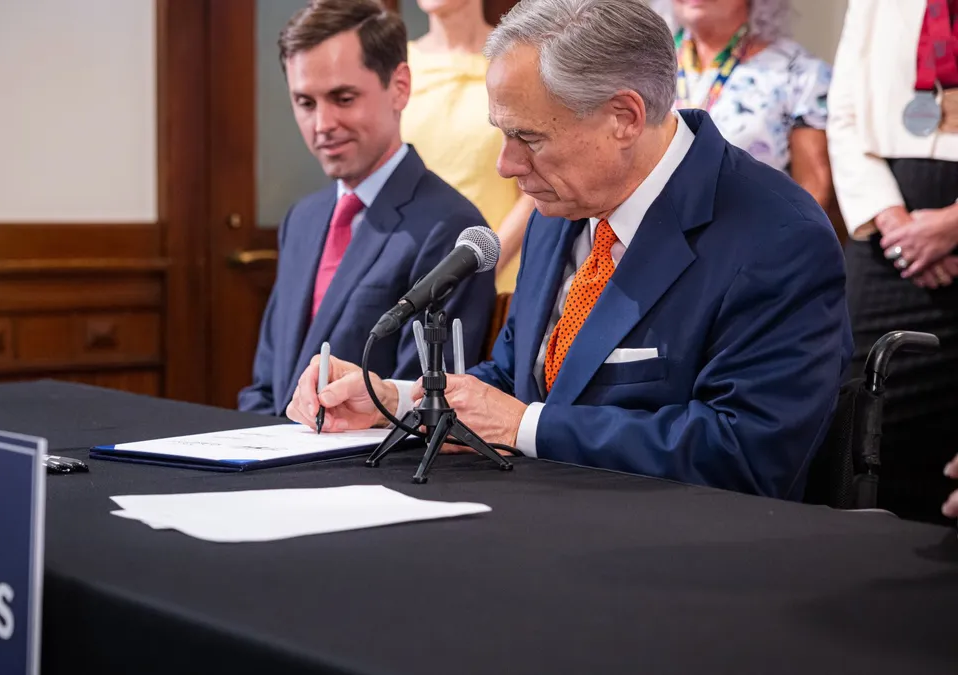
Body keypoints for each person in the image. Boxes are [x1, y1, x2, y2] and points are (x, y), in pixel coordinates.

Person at [286, 0, 852, 500]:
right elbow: (516, 377)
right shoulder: (559, 208)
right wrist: (402, 400)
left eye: (528, 138)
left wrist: (526, 427)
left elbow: (745, 454)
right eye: (502, 134)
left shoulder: (778, 238)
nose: (506, 165)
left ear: (624, 117)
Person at [238, 0, 496, 417]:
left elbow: (423, 406)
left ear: (399, 87)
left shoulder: (450, 229)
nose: (322, 124)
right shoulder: (301, 220)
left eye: (342, 98)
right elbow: (267, 385)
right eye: (305, 103)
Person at [828, 0, 958, 523]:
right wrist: (894, 222)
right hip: (890, 219)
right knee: (860, 418)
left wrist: (951, 225)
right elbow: (844, 113)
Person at [400, 0, 533, 291]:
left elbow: (536, 183)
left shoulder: (519, 58)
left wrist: (480, 270)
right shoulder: (398, 66)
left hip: (498, 281)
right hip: (408, 282)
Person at [649, 0, 834, 209]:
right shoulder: (642, 67)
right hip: (654, 232)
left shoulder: (800, 73)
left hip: (756, 234)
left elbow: (813, 187)